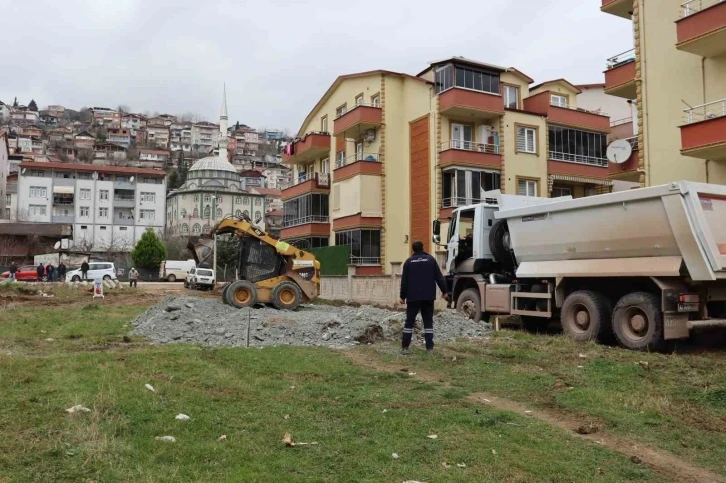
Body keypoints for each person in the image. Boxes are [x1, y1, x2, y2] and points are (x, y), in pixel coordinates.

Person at [399, 241, 448, 355]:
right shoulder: (431, 260)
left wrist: (402, 297)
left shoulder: (408, 262)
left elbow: (404, 282)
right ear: (423, 247)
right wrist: (444, 291)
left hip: (413, 298)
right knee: (428, 322)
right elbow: (439, 277)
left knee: (409, 322)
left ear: (413, 249)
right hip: (428, 297)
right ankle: (429, 348)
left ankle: (405, 347)